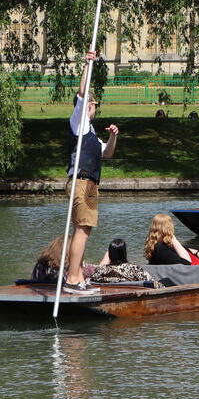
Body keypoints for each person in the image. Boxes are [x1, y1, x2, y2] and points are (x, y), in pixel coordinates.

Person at [64, 50, 119, 295]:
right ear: (89, 105)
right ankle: (73, 279)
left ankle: (75, 275)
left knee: (83, 230)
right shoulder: (79, 121)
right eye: (93, 103)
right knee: (82, 229)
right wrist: (88, 64)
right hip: (82, 181)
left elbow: (107, 154)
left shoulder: (92, 133)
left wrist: (113, 136)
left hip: (88, 184)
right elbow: (83, 92)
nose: (94, 105)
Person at [91, 238, 160, 285]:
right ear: (124, 253)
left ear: (109, 254)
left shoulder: (101, 271)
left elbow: (93, 278)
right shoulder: (134, 269)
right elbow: (152, 283)